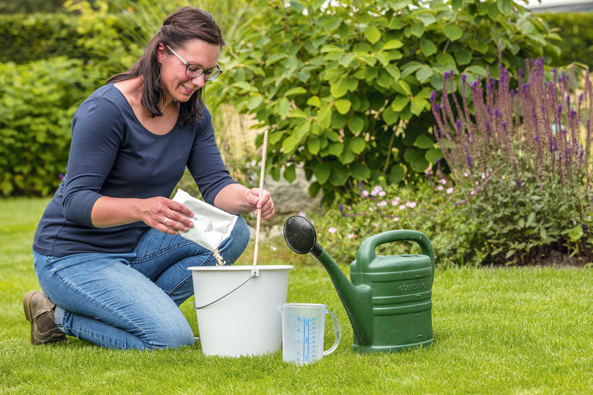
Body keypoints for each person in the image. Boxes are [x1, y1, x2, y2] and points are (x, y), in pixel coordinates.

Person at [23, 6, 274, 350]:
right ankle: (54, 313)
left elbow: (216, 186)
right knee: (171, 339)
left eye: (208, 72)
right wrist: (142, 209)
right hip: (73, 255)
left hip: (138, 247)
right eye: (192, 68)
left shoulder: (194, 115)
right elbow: (76, 202)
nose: (199, 81)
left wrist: (246, 197)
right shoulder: (106, 110)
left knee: (233, 231)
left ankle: (139, 305)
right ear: (161, 52)